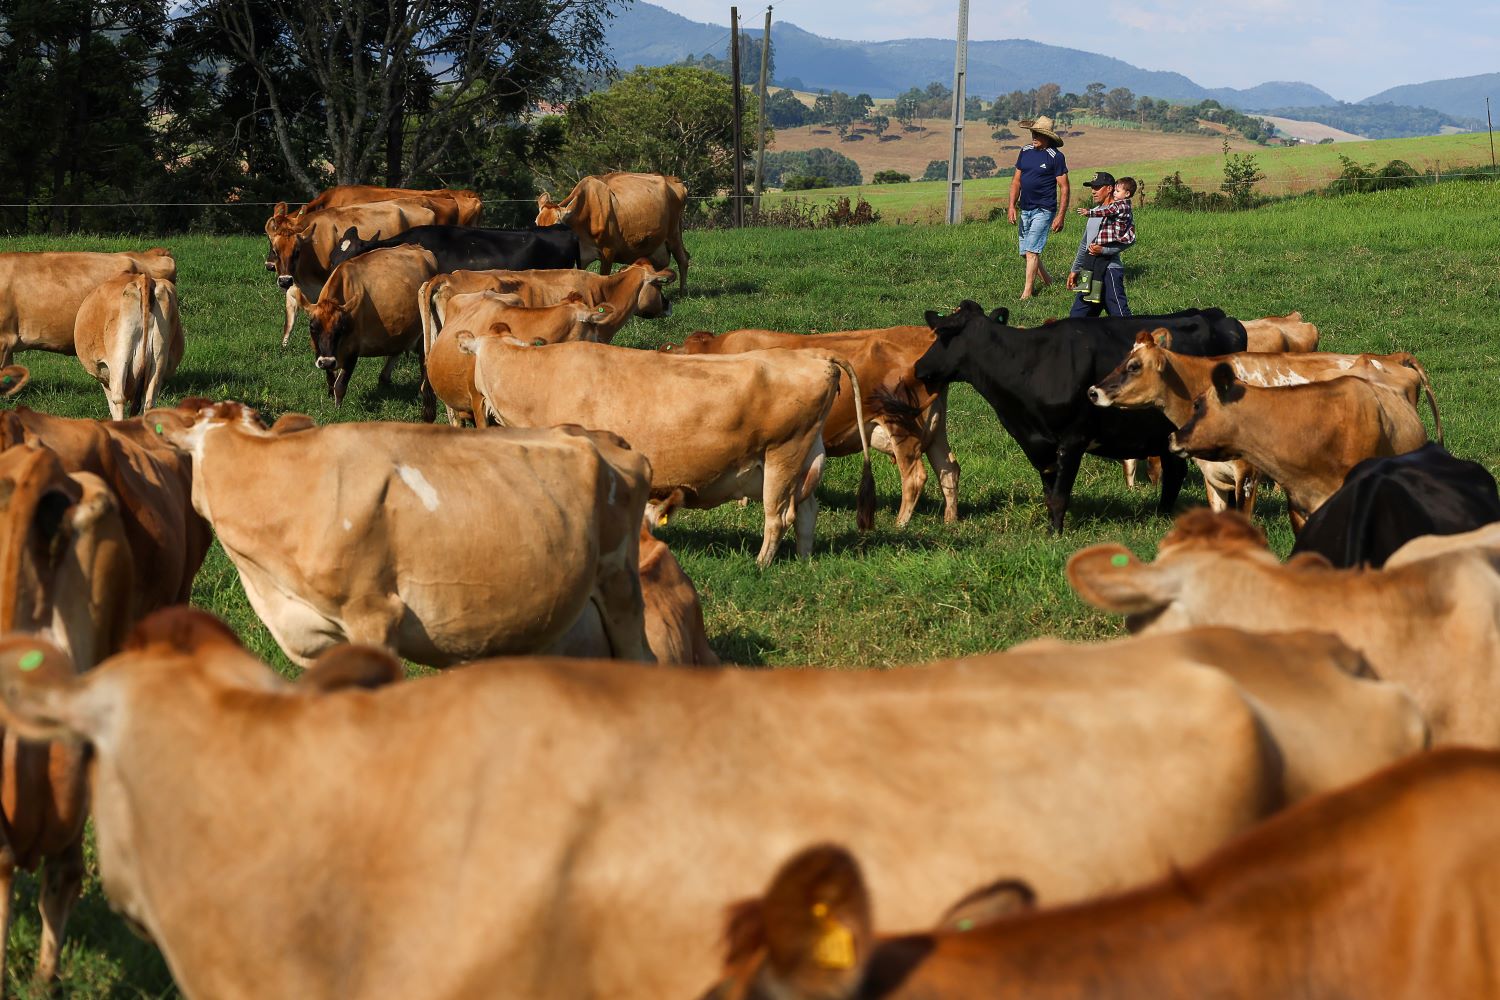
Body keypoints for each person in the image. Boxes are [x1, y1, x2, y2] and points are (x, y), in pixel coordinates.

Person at [1006, 115, 1069, 299]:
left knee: (1032, 251)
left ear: (1048, 137)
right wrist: (1011, 206)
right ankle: (1049, 282)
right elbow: (1016, 181)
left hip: (1044, 209)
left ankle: (1027, 293)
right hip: (1025, 208)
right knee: (1025, 253)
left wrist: (1061, 215)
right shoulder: (1025, 151)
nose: (1034, 136)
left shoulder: (1056, 157)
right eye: (1033, 132)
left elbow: (1064, 187)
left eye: (1038, 134)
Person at [1066, 171, 1131, 317]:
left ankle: (1136, 339)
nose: (1093, 191)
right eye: (1092, 188)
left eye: (1097, 187)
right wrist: (1075, 270)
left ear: (1109, 189)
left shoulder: (1119, 211)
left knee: (1121, 317)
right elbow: (1084, 244)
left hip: (1110, 271)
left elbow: (1128, 240)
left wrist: (1103, 250)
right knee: (1077, 317)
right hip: (1090, 272)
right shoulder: (1094, 212)